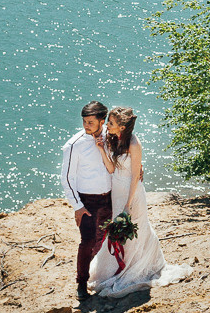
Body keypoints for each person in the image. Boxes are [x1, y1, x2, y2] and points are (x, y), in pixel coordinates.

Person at [87, 106, 192, 297]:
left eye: (110, 123)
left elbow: (135, 175)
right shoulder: (113, 140)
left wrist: (128, 204)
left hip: (132, 192)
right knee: (117, 231)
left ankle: (136, 267)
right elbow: (111, 169)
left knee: (138, 228)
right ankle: (116, 267)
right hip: (117, 190)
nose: (107, 126)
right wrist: (101, 149)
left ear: (122, 127)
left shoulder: (134, 144)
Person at [60, 101, 113, 300]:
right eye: (84, 121)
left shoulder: (111, 135)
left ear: (102, 121)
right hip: (87, 202)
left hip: (109, 198)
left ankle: (104, 275)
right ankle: (81, 283)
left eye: (91, 122)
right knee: (88, 242)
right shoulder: (74, 145)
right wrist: (78, 206)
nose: (86, 125)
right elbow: (66, 178)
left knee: (105, 239)